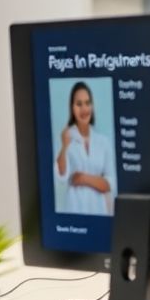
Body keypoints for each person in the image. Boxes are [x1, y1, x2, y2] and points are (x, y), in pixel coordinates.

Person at [54, 81, 116, 216]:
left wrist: (83, 178)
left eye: (87, 103)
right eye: (79, 104)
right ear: (72, 108)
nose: (84, 109)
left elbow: (109, 184)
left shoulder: (103, 142)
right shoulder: (66, 138)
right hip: (74, 212)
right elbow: (61, 177)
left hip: (98, 212)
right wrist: (64, 146)